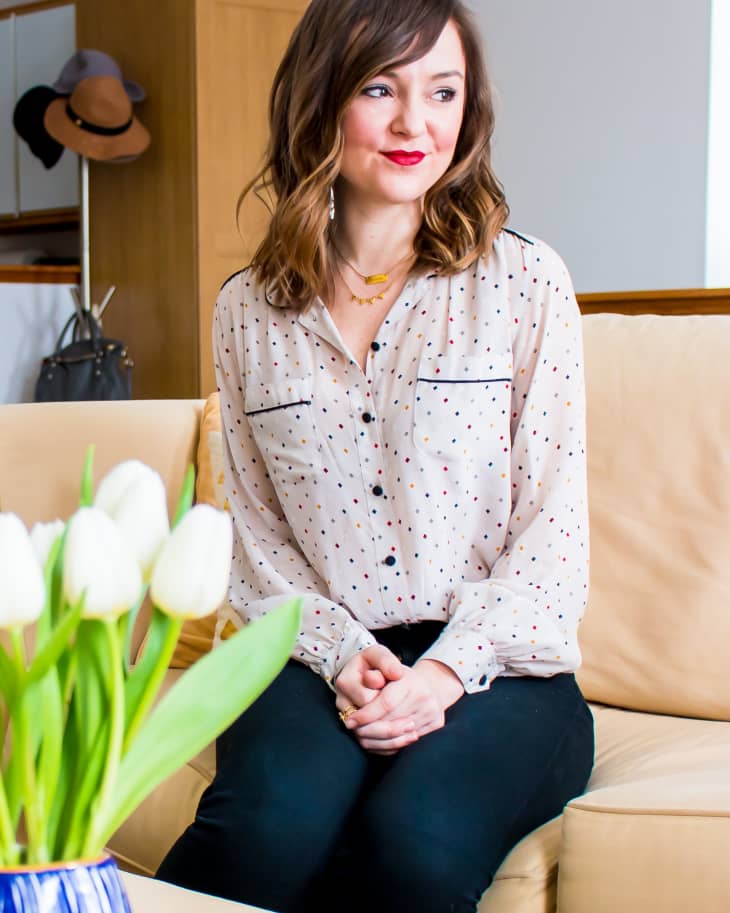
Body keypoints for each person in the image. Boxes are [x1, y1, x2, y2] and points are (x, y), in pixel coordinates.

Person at [156, 1, 594, 911]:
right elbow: (256, 542)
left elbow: (553, 542)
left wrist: (440, 673)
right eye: (379, 88)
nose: (414, 124)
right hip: (320, 658)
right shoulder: (248, 309)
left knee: (414, 843)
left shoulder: (525, 284)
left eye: (443, 92)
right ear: (322, 103)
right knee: (266, 829)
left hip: (500, 671)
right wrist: (339, 649)